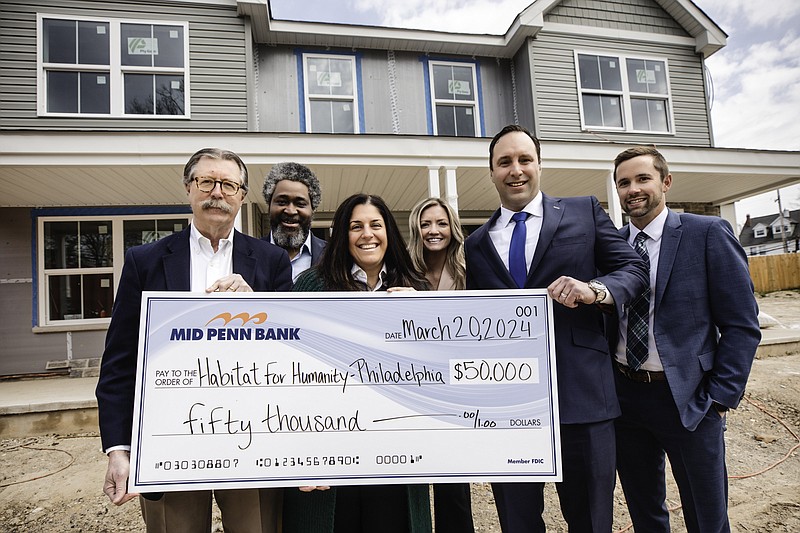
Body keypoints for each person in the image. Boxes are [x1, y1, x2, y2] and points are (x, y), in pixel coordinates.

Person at [95, 148, 293, 533]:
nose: (217, 192)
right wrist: (118, 449)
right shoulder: (145, 260)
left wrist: (259, 308)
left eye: (229, 184)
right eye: (207, 181)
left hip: (252, 437)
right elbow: (120, 362)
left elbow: (290, 358)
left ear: (241, 195)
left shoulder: (271, 261)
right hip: (169, 439)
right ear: (189, 188)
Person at [464, 124, 649, 533]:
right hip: (510, 407)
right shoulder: (476, 243)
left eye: (525, 159)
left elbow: (635, 268)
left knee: (589, 519)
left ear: (540, 166)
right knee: (518, 520)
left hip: (582, 396)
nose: (516, 170)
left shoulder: (583, 211)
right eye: (505, 162)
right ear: (491, 171)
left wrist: (595, 290)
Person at [609, 146, 761, 532]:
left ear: (666, 182)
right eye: (624, 182)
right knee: (646, 514)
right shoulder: (610, 247)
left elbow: (742, 324)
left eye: (643, 178)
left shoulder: (706, 233)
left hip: (690, 399)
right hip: (626, 398)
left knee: (706, 516)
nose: (633, 189)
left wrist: (721, 397)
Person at [285, 193, 431, 533]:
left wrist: (424, 313)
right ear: (342, 235)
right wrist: (296, 451)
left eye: (375, 225)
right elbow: (288, 374)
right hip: (329, 456)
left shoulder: (416, 288)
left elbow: (436, 375)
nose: (367, 234)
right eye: (356, 226)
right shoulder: (309, 286)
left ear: (389, 232)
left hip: (397, 457)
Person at [408, 197, 473, 532]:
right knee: (413, 479)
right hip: (413, 387)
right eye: (426, 223)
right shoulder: (405, 271)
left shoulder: (470, 268)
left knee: (455, 486)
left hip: (460, 388)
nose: (434, 231)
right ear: (416, 230)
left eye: (441, 223)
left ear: (453, 228)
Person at [262, 162, 326, 281]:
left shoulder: (332, 256)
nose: (291, 211)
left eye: (300, 204)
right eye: (282, 202)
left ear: (313, 209)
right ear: (269, 205)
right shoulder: (249, 254)